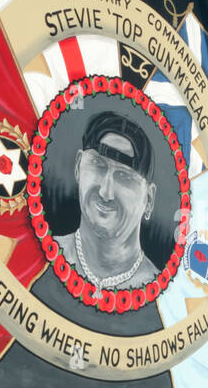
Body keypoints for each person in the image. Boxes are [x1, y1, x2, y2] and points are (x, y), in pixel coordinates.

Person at [57, 111, 159, 290]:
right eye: (98, 165)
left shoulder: (160, 292)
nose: (106, 192)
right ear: (78, 166)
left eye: (124, 177)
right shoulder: (46, 257)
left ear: (149, 200)